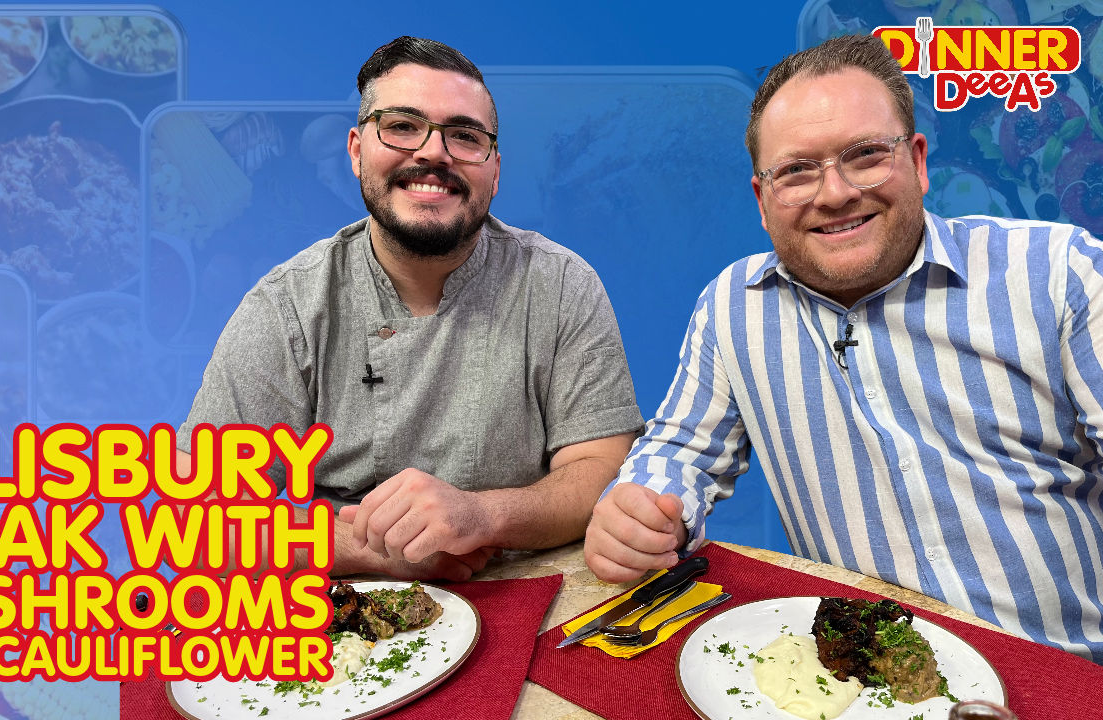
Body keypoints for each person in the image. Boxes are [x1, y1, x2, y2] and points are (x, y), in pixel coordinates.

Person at [584, 33, 1103, 661]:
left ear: (917, 161)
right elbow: (679, 453)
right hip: (863, 678)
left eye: (863, 156)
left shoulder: (1057, 273)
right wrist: (639, 508)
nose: (833, 193)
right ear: (762, 198)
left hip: (1065, 672)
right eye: (797, 171)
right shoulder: (732, 306)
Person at [175, 37, 643, 582]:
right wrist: (370, 547)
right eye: (401, 126)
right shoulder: (288, 307)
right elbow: (196, 520)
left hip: (534, 591)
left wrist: (482, 517)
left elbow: (599, 472)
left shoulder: (561, 284)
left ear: (495, 171)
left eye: (465, 136)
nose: (432, 153)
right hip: (348, 618)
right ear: (355, 150)